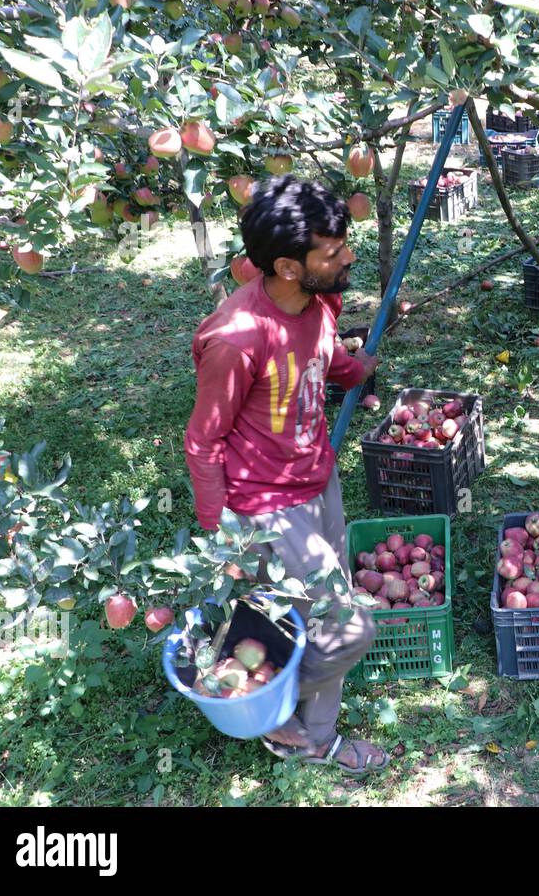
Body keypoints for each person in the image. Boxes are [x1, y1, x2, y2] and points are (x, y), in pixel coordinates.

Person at [184, 176, 388, 774]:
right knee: (348, 630)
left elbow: (324, 356)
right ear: (288, 267)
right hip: (263, 503)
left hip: (317, 480)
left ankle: (313, 737)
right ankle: (264, 704)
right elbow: (203, 443)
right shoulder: (237, 338)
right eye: (332, 252)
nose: (347, 256)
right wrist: (223, 535)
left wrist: (355, 369)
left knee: (322, 612)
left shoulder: (321, 302)